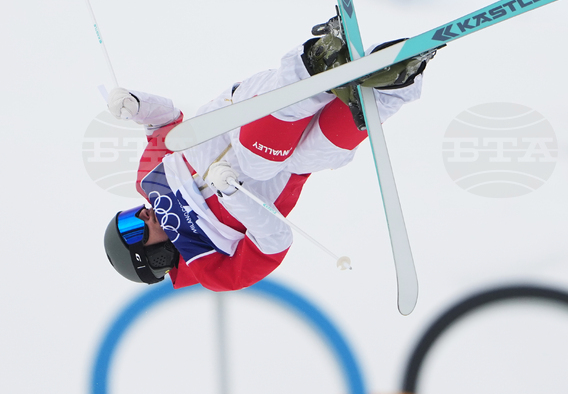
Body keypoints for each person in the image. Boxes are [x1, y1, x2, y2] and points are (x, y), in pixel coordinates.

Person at [103, 16, 433, 291]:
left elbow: (167, 123)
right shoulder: (210, 270)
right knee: (319, 153)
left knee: (254, 163)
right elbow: (275, 241)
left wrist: (136, 106)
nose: (141, 215)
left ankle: (313, 65)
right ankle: (394, 81)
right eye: (133, 229)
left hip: (241, 113)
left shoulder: (148, 181)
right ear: (154, 258)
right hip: (288, 167)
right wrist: (232, 195)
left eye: (128, 216)